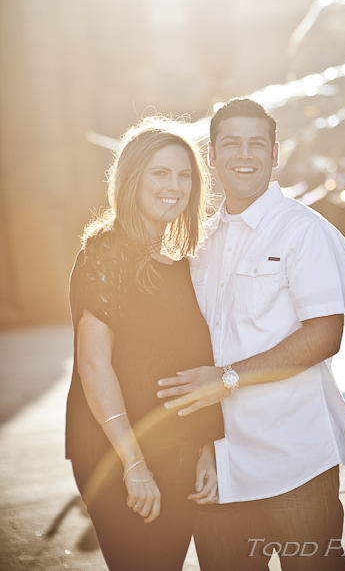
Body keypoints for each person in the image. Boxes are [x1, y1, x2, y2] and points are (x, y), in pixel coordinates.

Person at [157, 98, 345, 570]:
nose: (244, 155)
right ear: (211, 155)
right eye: (231, 144)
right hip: (222, 471)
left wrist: (227, 378)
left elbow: (324, 335)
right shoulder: (199, 242)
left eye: (256, 144)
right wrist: (203, 449)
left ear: (274, 154)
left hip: (296, 461)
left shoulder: (304, 231)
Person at [65, 118, 224, 571]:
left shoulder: (182, 263)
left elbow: (190, 360)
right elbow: (94, 365)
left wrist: (205, 449)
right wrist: (134, 465)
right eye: (161, 173)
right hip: (117, 450)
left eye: (184, 174)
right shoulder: (106, 252)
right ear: (132, 178)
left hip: (178, 447)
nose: (175, 186)